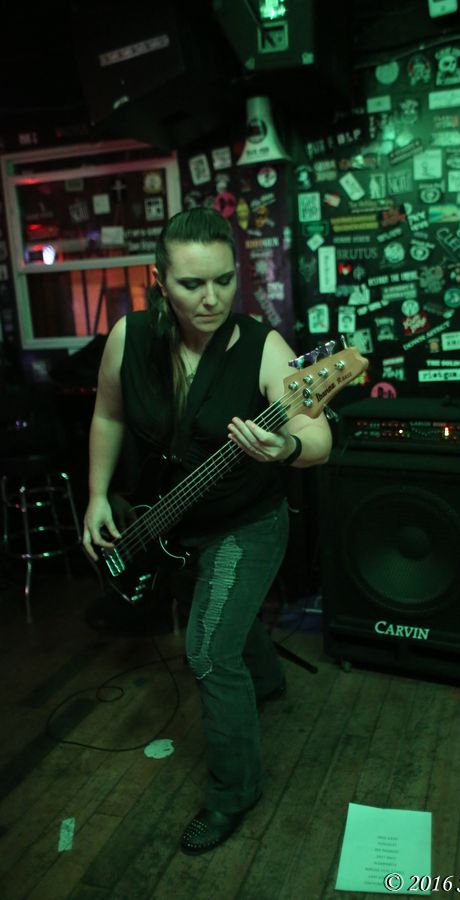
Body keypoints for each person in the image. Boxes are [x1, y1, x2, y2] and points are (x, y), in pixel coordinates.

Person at [82, 206, 332, 854]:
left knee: (207, 651)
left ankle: (233, 792)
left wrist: (285, 448)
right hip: (171, 520)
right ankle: (267, 682)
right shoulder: (129, 338)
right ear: (159, 280)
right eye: (193, 283)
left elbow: (317, 435)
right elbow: (108, 414)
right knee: (223, 619)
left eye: (224, 280)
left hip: (246, 523)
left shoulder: (262, 346)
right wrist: (97, 496)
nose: (212, 298)